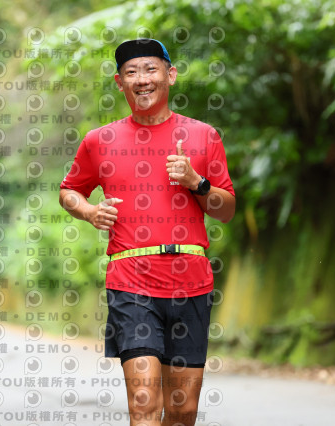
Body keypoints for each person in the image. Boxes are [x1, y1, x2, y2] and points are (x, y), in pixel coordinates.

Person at [59, 38, 235, 426]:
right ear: (119, 82)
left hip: (191, 282)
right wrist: (89, 211)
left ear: (170, 75)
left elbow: (226, 210)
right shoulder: (99, 140)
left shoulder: (204, 136)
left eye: (151, 69)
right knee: (143, 401)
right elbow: (69, 191)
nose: (142, 79)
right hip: (131, 282)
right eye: (131, 72)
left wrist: (196, 182)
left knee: (182, 410)